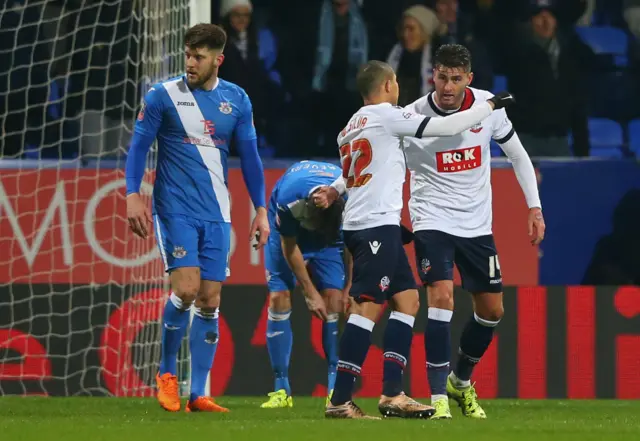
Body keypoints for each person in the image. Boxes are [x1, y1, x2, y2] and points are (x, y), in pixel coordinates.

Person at [315, 60, 514, 419]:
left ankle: (393, 394)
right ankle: (339, 400)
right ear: (389, 84)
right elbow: (448, 125)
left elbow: (353, 172)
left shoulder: (350, 126)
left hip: (374, 222)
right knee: (366, 307)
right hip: (374, 225)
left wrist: (332, 189)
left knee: (407, 301)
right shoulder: (388, 115)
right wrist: (489, 106)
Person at [125, 23, 269, 413]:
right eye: (187, 54)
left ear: (218, 60)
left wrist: (260, 209)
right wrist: (132, 194)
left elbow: (252, 160)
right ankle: (167, 375)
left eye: (199, 57)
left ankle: (198, 393)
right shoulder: (162, 96)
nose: (190, 62)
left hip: (217, 212)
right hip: (175, 208)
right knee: (186, 289)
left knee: (210, 299)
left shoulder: (237, 100)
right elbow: (138, 147)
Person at [401, 43, 544, 419]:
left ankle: (459, 382)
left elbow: (517, 155)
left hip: (477, 225)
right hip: (431, 219)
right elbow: (378, 159)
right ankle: (437, 400)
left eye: (456, 79)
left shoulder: (488, 108)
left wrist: (535, 207)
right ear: (432, 75)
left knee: (492, 310)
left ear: (469, 79)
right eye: (442, 77)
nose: (448, 87)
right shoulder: (413, 115)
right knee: (442, 296)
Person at [260, 160, 347, 409]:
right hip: (288, 234)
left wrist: (350, 285)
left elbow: (353, 243)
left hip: (329, 240)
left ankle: (335, 389)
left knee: (335, 300)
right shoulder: (290, 199)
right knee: (279, 298)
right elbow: (290, 247)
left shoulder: (351, 198)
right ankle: (280, 389)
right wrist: (309, 292)